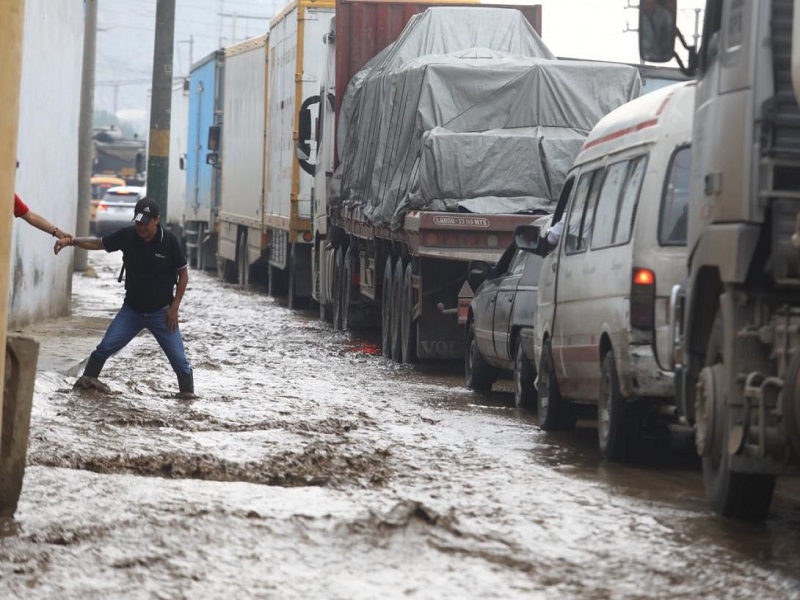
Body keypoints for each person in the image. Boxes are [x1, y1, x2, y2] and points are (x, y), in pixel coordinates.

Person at [54, 197, 194, 397]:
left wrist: (174, 308)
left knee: (180, 363)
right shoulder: (127, 236)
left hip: (162, 312)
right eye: (137, 222)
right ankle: (84, 387)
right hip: (132, 311)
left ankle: (187, 399)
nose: (141, 227)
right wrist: (72, 241)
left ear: (156, 220)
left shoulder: (169, 241)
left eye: (145, 223)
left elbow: (183, 274)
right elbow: (98, 244)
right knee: (104, 348)